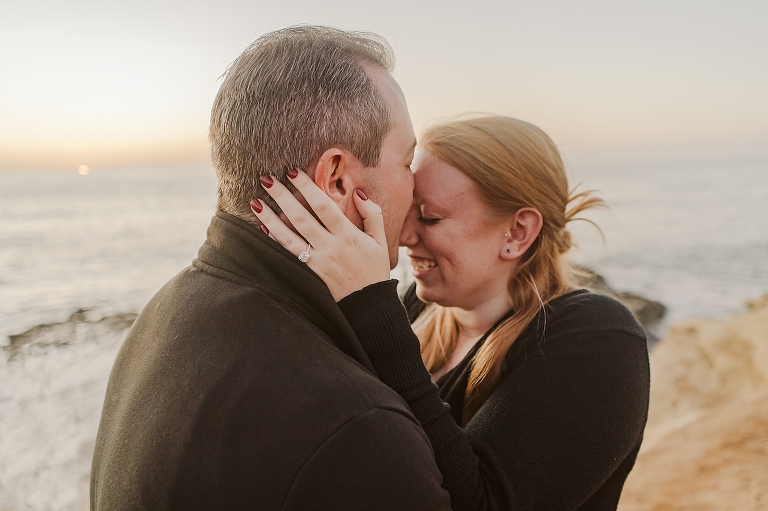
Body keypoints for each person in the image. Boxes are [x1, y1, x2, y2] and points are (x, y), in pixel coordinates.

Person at [90, 26, 451, 510]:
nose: (415, 190)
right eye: (406, 162)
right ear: (339, 179)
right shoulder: (357, 429)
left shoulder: (165, 315)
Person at [252, 116, 651, 510]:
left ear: (517, 232)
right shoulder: (412, 308)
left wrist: (371, 307)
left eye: (430, 216)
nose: (405, 236)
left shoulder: (599, 340)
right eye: (407, 210)